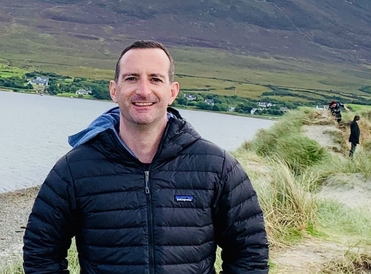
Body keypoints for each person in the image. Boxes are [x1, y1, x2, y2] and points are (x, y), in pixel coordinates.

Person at [23, 40, 269, 273]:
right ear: (114, 90)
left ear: (172, 92)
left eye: (155, 79)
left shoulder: (217, 167)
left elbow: (249, 251)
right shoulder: (74, 169)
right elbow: (41, 251)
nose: (143, 90)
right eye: (132, 78)